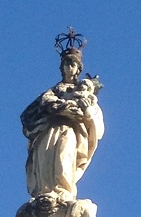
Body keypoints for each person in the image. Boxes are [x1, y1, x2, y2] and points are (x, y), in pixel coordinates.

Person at [20, 48, 104, 202]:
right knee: (46, 159)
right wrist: (61, 107)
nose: (69, 67)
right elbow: (40, 106)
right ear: (62, 67)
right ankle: (46, 191)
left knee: (63, 156)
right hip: (50, 129)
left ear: (78, 69)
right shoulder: (54, 90)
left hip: (69, 130)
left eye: (72, 64)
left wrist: (87, 111)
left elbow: (96, 124)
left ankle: (63, 190)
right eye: (66, 64)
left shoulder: (86, 95)